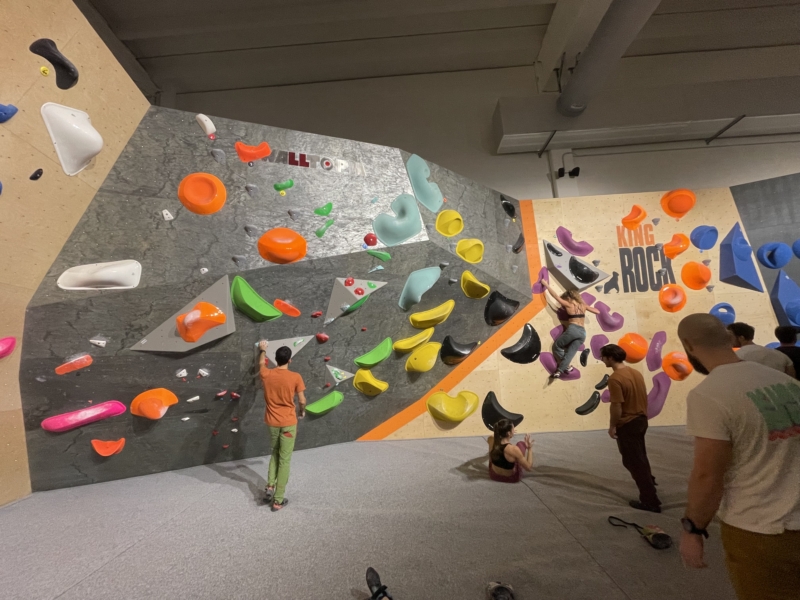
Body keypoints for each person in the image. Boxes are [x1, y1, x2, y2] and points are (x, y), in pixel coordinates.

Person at [677, 314, 800, 600]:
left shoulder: (709, 395)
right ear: (730, 338)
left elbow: (708, 474)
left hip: (760, 530)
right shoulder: (784, 381)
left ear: (687, 345)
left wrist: (693, 529)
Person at [600, 344, 662, 512]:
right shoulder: (636, 373)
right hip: (641, 420)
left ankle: (650, 500)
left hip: (628, 423)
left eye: (603, 357)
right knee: (640, 457)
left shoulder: (615, 378)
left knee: (634, 462)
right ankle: (649, 481)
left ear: (610, 358)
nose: (601, 360)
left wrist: (613, 425)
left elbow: (617, 406)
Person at [258, 340, 307, 511]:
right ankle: (278, 500)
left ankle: (270, 486)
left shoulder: (266, 374)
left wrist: (262, 350)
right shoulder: (295, 377)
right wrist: (302, 411)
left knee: (274, 453)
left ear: (275, 360)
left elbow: (260, 363)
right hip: (288, 423)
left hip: (271, 422)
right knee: (285, 460)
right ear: (290, 360)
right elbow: (302, 400)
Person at [539, 280, 600, 377]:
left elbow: (555, 296)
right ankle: (560, 370)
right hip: (583, 333)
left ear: (569, 298)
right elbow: (597, 312)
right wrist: (583, 302)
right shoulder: (583, 306)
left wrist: (546, 285)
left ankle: (565, 366)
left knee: (557, 346)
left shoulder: (569, 305)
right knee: (570, 353)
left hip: (573, 329)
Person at [727, 322, 795, 377]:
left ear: (741, 338)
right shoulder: (780, 355)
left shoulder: (735, 357)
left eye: (730, 337)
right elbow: (792, 379)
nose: (728, 340)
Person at [487, 419, 533, 483]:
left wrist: (508, 431)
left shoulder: (491, 439)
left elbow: (495, 435)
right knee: (521, 444)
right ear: (508, 433)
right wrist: (530, 449)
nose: (514, 431)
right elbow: (529, 468)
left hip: (493, 476)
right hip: (510, 478)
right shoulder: (513, 449)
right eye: (513, 429)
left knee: (494, 451)